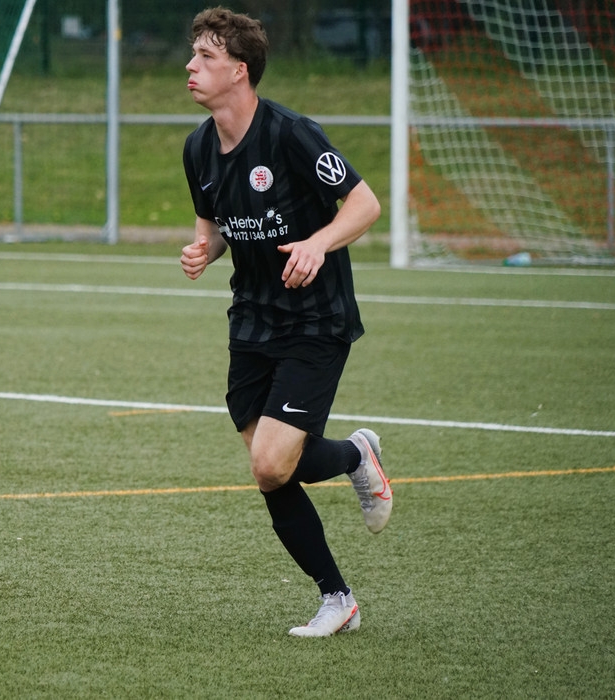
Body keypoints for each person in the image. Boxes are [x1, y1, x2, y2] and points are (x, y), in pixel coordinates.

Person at [180, 7, 392, 637]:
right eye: (193, 54)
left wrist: (318, 243)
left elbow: (365, 203)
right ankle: (339, 593)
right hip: (251, 319)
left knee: (272, 466)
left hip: (315, 320)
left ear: (239, 71)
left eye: (206, 57)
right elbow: (215, 226)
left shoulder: (293, 134)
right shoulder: (198, 148)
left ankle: (353, 468)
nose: (191, 66)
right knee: (271, 468)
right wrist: (204, 251)